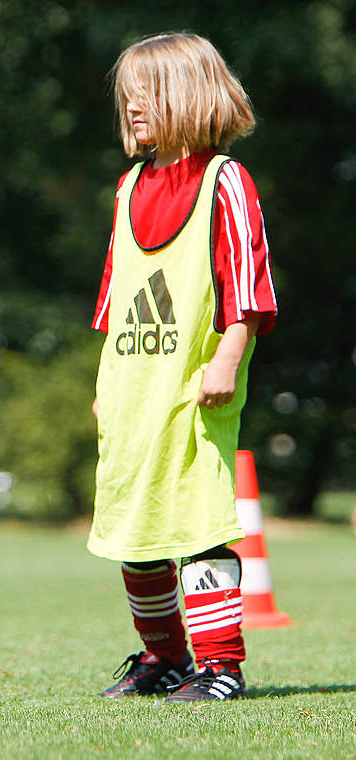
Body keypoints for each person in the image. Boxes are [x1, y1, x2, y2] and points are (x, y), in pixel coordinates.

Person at [90, 32, 277, 702]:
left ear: (190, 96)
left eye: (149, 94)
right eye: (128, 97)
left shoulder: (224, 182)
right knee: (134, 527)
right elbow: (115, 302)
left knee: (197, 522)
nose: (135, 107)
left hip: (196, 389)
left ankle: (221, 666)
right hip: (132, 389)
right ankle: (162, 658)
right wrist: (103, 385)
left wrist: (227, 359)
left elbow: (248, 293)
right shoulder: (129, 186)